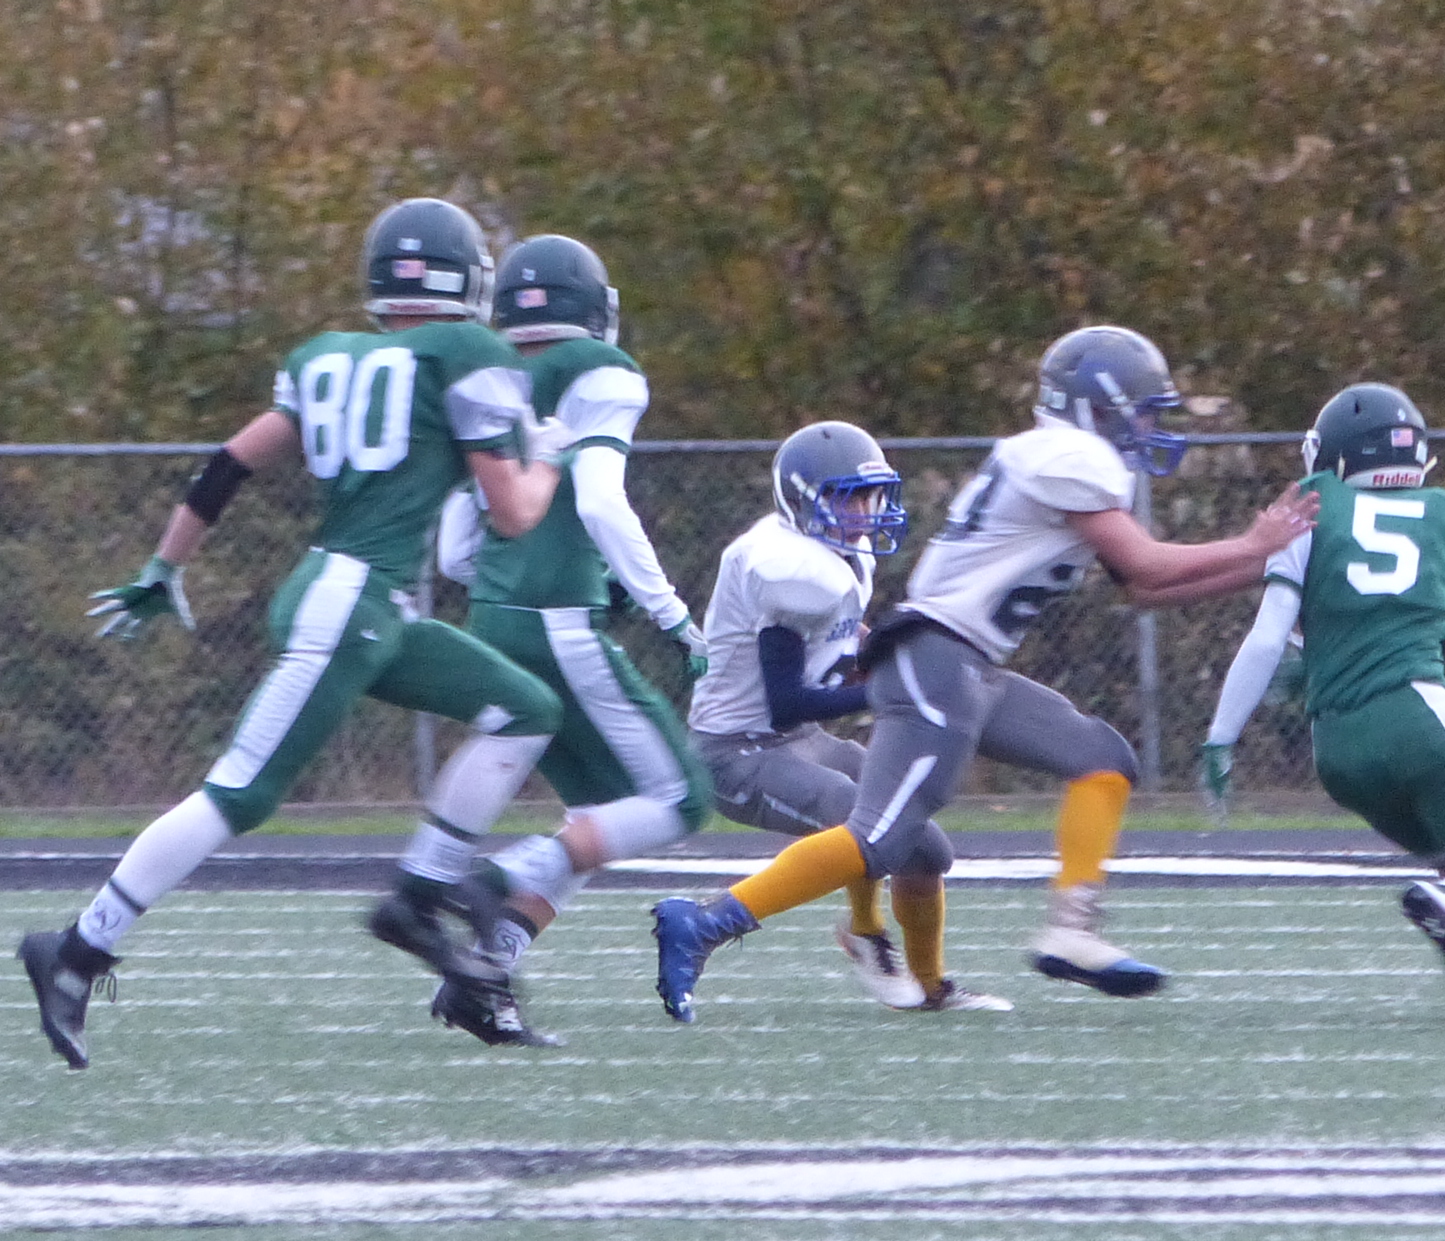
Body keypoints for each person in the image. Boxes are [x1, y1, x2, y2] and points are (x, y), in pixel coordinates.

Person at [17, 197, 569, 1070]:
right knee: (240, 793)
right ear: (468, 278)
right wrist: (548, 459)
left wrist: (166, 564)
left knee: (525, 707)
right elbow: (513, 513)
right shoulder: (466, 352)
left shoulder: (328, 357)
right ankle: (78, 949)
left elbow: (230, 462)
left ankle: (421, 894)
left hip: (366, 604)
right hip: (349, 604)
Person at [650, 324, 1316, 1022]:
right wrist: (1253, 543)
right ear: (1101, 407)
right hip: (935, 660)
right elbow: (1147, 565)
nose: (1151, 428)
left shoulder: (1053, 456)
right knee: (878, 837)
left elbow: (1143, 589)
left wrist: (1265, 564)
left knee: (1101, 760)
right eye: (1144, 412)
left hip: (961, 660)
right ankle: (707, 923)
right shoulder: (1071, 456)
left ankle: (1067, 932)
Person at [1202, 384, 1445, 1016]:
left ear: (1335, 454)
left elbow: (1269, 637)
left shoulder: (1313, 504)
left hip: (1337, 749)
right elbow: (1442, 638)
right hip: (1416, 714)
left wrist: (1221, 739)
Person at [431, 233, 716, 1047]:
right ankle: (493, 882)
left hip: (493, 619)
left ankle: (487, 972)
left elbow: (454, 550)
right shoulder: (602, 368)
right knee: (680, 798)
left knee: (597, 817)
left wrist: (520, 573)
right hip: (555, 620)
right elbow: (598, 500)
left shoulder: (488, 374)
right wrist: (669, 612)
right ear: (594, 309)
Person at [685, 420, 1007, 1012]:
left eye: (870, 496)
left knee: (927, 848)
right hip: (737, 752)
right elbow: (787, 701)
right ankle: (829, 930)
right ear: (802, 500)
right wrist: (892, 691)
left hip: (798, 739)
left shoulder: (840, 556)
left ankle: (931, 986)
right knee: (862, 819)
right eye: (847, 498)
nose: (864, 512)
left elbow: (838, 641)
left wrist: (889, 653)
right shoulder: (785, 567)